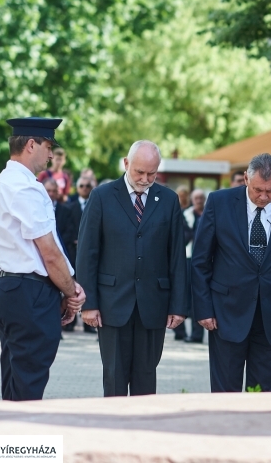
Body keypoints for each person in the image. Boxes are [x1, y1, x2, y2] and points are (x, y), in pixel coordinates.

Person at [0, 117, 86, 401]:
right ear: (30, 145)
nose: (51, 154)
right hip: (30, 293)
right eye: (48, 146)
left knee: (15, 381)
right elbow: (48, 252)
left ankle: (9, 442)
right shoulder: (25, 187)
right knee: (28, 386)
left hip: (8, 288)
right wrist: (70, 290)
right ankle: (25, 444)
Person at [77, 140, 187, 397]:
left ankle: (142, 430)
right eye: (140, 172)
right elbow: (87, 252)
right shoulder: (102, 196)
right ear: (126, 164)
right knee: (114, 376)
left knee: (146, 378)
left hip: (154, 305)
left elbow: (177, 257)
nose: (146, 179)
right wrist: (88, 303)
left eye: (152, 173)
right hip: (111, 304)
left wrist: (179, 306)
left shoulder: (168, 200)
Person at [191, 153, 271, 392]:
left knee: (264, 390)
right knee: (226, 389)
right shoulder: (219, 202)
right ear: (246, 178)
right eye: (258, 190)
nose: (264, 197)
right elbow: (200, 260)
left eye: (270, 191)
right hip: (226, 313)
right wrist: (203, 309)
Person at [63, 176, 96, 333]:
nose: (84, 188)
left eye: (87, 185)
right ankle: (70, 321)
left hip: (91, 253)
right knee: (72, 285)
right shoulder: (70, 207)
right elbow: (65, 230)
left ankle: (88, 321)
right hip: (72, 251)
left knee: (88, 283)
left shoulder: (97, 205)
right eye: (81, 185)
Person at [174, 188, 206, 343]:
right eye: (197, 198)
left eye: (201, 197)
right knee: (181, 294)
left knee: (196, 297)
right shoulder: (185, 214)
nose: (199, 200)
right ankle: (179, 331)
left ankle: (196, 334)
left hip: (202, 261)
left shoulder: (208, 214)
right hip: (186, 259)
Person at [41, 179, 77, 267]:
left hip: (62, 252)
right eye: (48, 190)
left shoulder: (66, 211)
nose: (51, 194)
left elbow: (69, 231)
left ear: (58, 192)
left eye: (54, 191)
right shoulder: (37, 209)